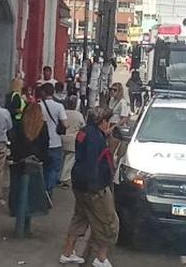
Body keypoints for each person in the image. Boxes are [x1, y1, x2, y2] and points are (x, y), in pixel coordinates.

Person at [59, 107, 119, 267]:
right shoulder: (96, 138)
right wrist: (95, 187)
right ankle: (101, 258)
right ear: (102, 121)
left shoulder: (84, 132)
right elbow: (92, 162)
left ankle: (68, 252)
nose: (109, 124)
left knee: (80, 217)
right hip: (94, 187)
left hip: (79, 184)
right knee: (108, 221)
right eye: (107, 121)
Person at [9, 102, 51, 237]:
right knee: (32, 194)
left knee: (18, 191)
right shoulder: (42, 126)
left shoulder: (19, 125)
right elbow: (46, 146)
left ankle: (19, 222)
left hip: (19, 163)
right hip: (36, 164)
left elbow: (13, 143)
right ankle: (26, 225)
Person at [39, 82, 69, 195]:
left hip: (42, 143)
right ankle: (48, 189)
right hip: (56, 142)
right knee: (55, 168)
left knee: (45, 168)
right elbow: (65, 124)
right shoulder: (59, 106)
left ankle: (44, 189)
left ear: (43, 93)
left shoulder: (39, 106)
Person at [60, 96, 86, 187]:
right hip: (73, 140)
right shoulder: (78, 115)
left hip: (62, 138)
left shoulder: (64, 112)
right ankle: (64, 178)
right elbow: (83, 127)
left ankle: (60, 176)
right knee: (70, 160)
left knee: (62, 159)